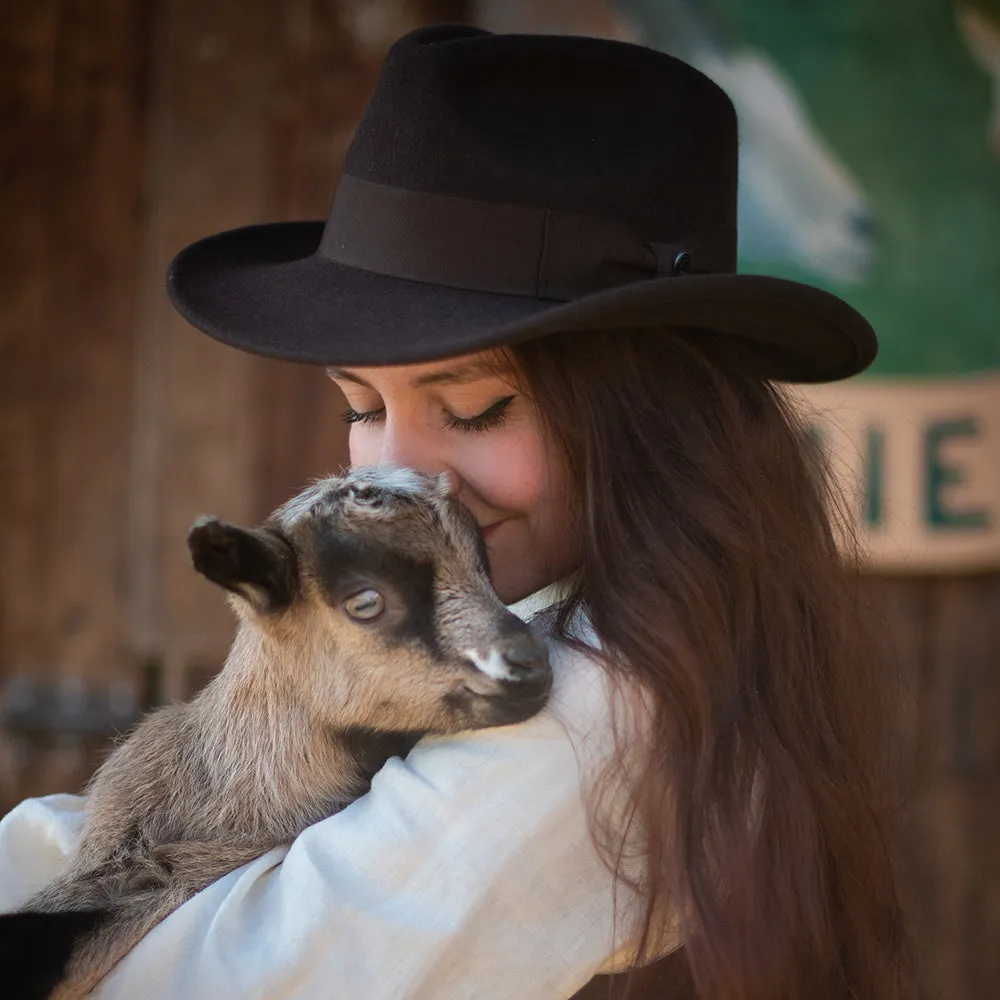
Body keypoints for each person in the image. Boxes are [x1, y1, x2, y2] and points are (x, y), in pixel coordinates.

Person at [0, 24, 919, 1000]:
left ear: (650, 417)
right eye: (360, 407)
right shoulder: (574, 630)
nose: (402, 471)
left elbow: (247, 979)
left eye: (475, 409)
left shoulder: (594, 708)